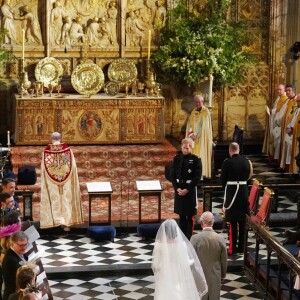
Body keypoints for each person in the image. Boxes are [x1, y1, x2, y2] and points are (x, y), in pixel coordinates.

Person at [152, 219, 208, 300]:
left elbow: (156, 265)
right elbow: (186, 263)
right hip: (179, 276)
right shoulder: (182, 244)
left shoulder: (158, 245)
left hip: (165, 275)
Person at [40, 132, 83, 229]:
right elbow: (72, 166)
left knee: (54, 199)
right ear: (60, 138)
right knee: (66, 199)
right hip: (66, 179)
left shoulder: (47, 152)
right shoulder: (67, 150)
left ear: (51, 139)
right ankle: (66, 221)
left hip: (51, 179)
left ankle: (55, 221)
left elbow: (44, 168)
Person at [221, 142, 253, 255]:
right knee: (243, 222)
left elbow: (223, 180)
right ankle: (242, 248)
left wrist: (227, 188)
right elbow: (249, 177)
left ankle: (233, 248)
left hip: (231, 193)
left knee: (233, 222)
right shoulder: (247, 161)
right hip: (243, 193)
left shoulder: (227, 162)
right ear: (238, 150)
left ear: (230, 151)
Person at [191, 211, 227, 300]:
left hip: (199, 277)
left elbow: (190, 259)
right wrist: (223, 274)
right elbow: (224, 260)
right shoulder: (220, 239)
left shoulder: (195, 238)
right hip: (215, 275)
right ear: (213, 222)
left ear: (201, 223)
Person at [171, 138, 202, 240]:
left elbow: (197, 177)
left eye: (187, 148)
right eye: (184, 148)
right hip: (179, 191)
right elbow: (172, 175)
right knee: (181, 216)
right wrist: (177, 189)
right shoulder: (177, 158)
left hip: (190, 191)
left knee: (189, 217)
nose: (186, 150)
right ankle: (182, 238)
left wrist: (187, 189)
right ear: (181, 147)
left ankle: (189, 238)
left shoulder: (196, 159)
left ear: (191, 148)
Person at [186, 95, 213, 179]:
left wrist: (196, 135)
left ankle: (200, 174)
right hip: (193, 139)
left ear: (202, 102)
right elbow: (189, 124)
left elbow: (204, 127)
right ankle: (192, 173)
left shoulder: (206, 112)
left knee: (200, 155)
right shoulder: (193, 111)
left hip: (202, 139)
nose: (198, 103)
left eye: (199, 102)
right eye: (196, 102)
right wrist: (191, 134)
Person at [263, 84, 288, 162]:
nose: (279, 91)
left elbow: (280, 112)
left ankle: (276, 158)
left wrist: (271, 111)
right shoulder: (278, 98)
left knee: (277, 141)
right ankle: (272, 155)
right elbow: (276, 109)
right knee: (273, 139)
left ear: (284, 90)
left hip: (278, 123)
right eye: (277, 89)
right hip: (274, 120)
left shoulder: (285, 99)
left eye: (280, 89)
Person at [2, 231, 29, 300]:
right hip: (13, 295)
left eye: (26, 244)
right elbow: (22, 280)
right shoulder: (11, 260)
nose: (24, 247)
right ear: (12, 244)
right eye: (21, 245)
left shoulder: (19, 252)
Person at [279, 85, 297, 171]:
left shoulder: (295, 102)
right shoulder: (288, 101)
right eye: (286, 91)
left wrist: (291, 127)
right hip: (287, 129)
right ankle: (286, 166)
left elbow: (295, 116)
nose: (287, 92)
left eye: (289, 90)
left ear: (294, 91)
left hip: (293, 131)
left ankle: (290, 167)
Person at [285, 94, 300, 173]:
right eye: (297, 101)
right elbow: (293, 120)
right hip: (294, 134)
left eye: (299, 101)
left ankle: (296, 170)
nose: (297, 103)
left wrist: (292, 128)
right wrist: (289, 127)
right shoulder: (297, 110)